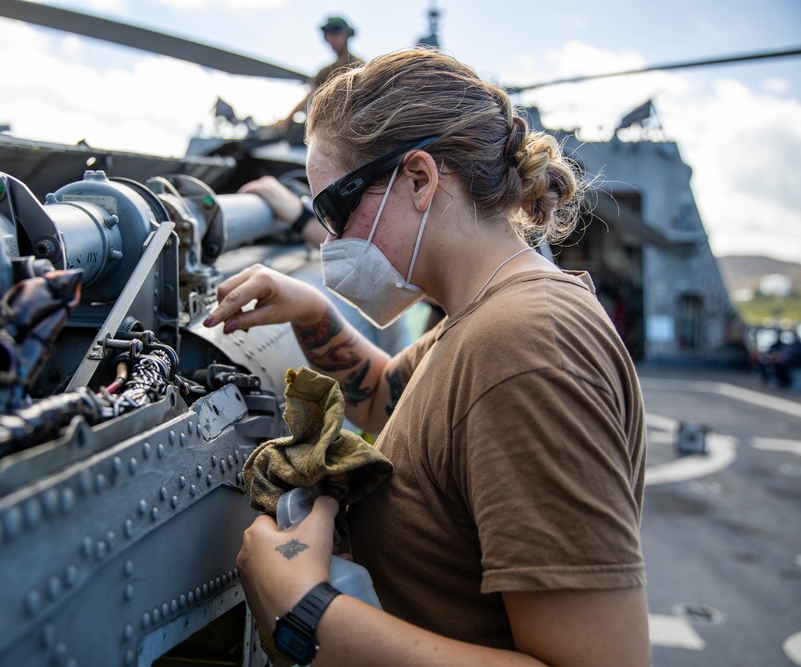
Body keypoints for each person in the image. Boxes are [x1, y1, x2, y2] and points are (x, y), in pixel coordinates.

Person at [204, 48, 649, 666]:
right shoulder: (478, 317)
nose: (331, 244)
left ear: (418, 178)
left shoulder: (524, 344)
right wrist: (310, 311)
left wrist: (302, 608)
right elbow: (390, 397)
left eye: (334, 211)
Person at [273, 16, 363, 137]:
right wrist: (286, 121)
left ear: (346, 34)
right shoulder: (324, 72)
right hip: (326, 132)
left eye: (336, 32)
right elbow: (309, 98)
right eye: (328, 34)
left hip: (353, 131)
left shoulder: (360, 67)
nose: (332, 38)